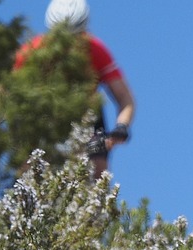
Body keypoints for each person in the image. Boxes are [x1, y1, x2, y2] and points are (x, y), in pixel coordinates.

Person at [13, 0, 136, 178]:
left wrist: (121, 127)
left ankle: (96, 203)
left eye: (76, 38)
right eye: (61, 38)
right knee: (28, 168)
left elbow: (126, 99)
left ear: (85, 32)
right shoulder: (30, 53)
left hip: (86, 115)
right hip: (42, 115)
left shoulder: (97, 52)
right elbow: (1, 93)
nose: (68, 46)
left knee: (98, 170)